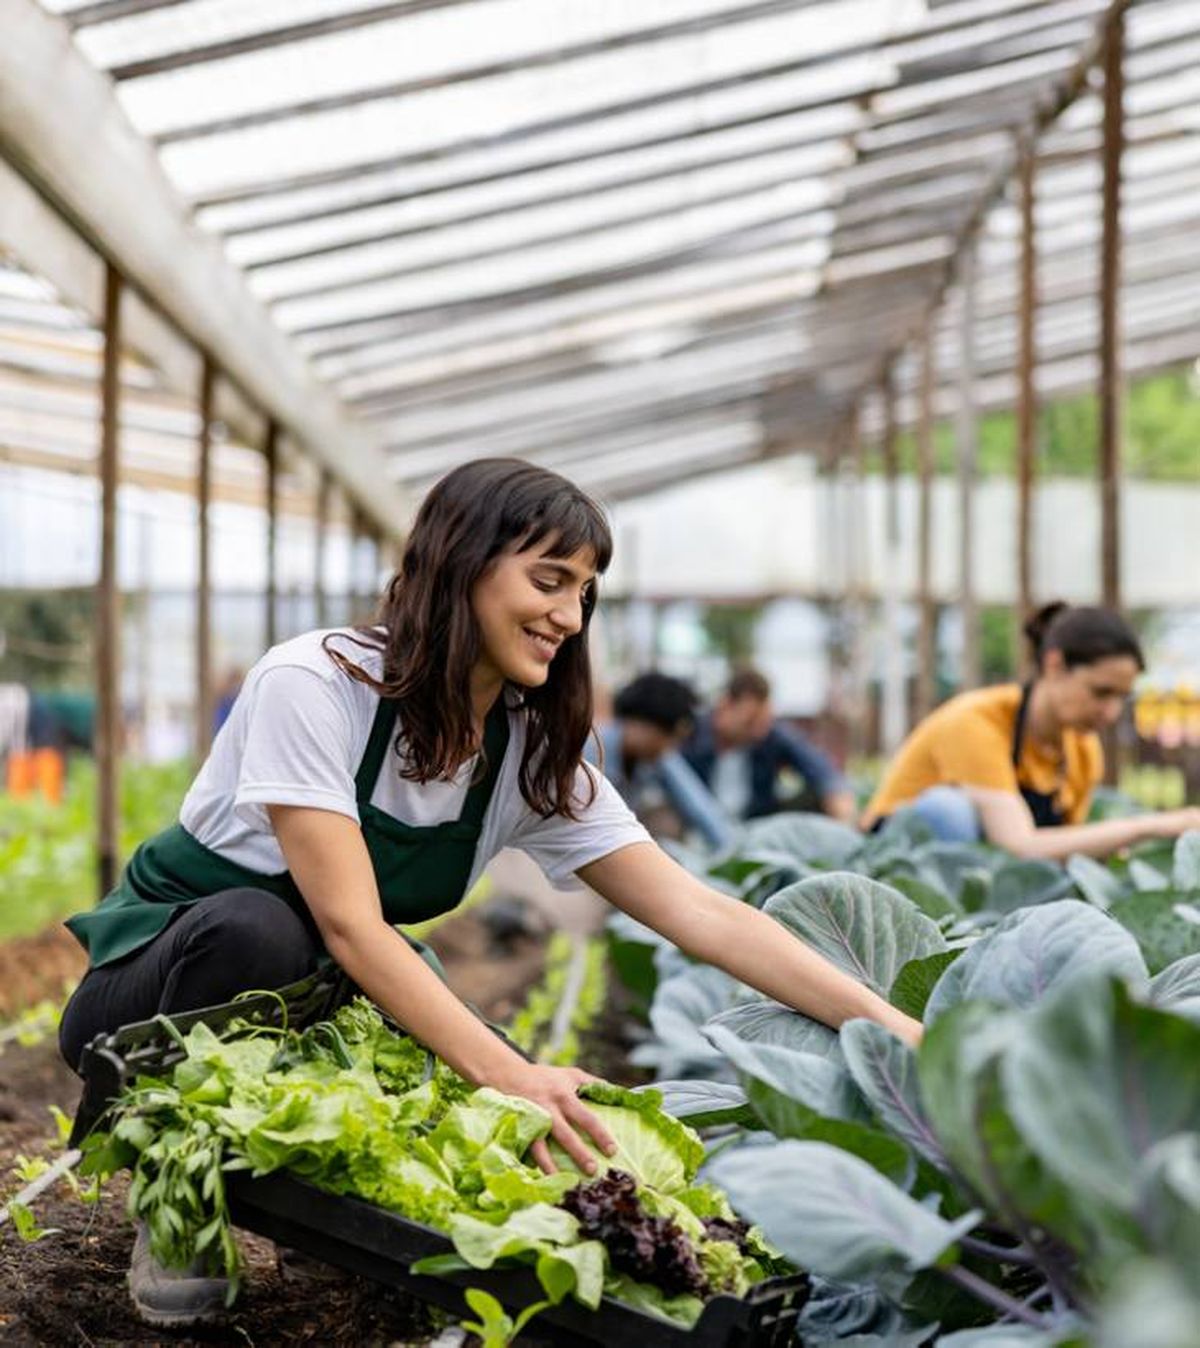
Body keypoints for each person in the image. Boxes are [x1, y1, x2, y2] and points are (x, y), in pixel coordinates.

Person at [58, 459, 920, 1326]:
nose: (567, 616)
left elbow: (700, 914)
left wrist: (898, 1032)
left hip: (318, 1007)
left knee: (485, 1108)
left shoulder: (524, 752)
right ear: (460, 562)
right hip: (150, 1005)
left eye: (584, 593)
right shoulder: (315, 684)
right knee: (261, 931)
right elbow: (353, 929)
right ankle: (178, 1194)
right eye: (548, 582)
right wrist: (515, 1073)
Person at [861, 602, 1200, 858]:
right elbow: (1019, 845)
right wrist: (1152, 825)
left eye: (1121, 698)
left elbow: (1065, 853)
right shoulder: (974, 721)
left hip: (983, 880)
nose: (1110, 712)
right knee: (947, 809)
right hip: (892, 865)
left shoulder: (1081, 749)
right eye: (1100, 692)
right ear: (1054, 665)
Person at [682, 667, 857, 825]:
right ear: (725, 705)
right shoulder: (688, 735)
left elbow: (822, 771)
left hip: (753, 834)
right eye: (749, 722)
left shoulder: (770, 737)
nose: (758, 732)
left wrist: (842, 811)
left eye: (763, 722)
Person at [589, 671, 736, 850]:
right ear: (644, 724)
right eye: (671, 738)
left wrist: (731, 851)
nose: (671, 747)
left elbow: (697, 804)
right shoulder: (589, 754)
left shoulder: (655, 757)